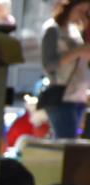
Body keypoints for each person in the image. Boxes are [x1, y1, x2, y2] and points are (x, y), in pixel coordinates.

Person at [40, 0, 90, 139]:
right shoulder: (52, 29)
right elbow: (49, 64)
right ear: (69, 6)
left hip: (78, 96)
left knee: (72, 144)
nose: (83, 15)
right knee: (67, 144)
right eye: (81, 10)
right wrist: (78, 51)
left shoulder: (75, 30)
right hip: (61, 96)